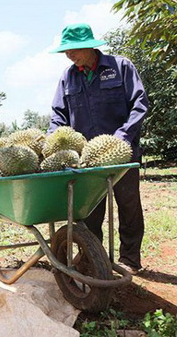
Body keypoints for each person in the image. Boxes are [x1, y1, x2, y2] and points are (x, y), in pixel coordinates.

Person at [48, 23, 149, 274]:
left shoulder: (120, 67)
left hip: (123, 154)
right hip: (87, 160)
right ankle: (96, 259)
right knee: (90, 210)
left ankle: (130, 259)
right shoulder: (68, 77)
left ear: (90, 46)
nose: (68, 54)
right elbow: (58, 116)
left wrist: (123, 135)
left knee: (128, 206)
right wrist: (52, 141)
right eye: (65, 51)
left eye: (73, 49)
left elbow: (140, 103)